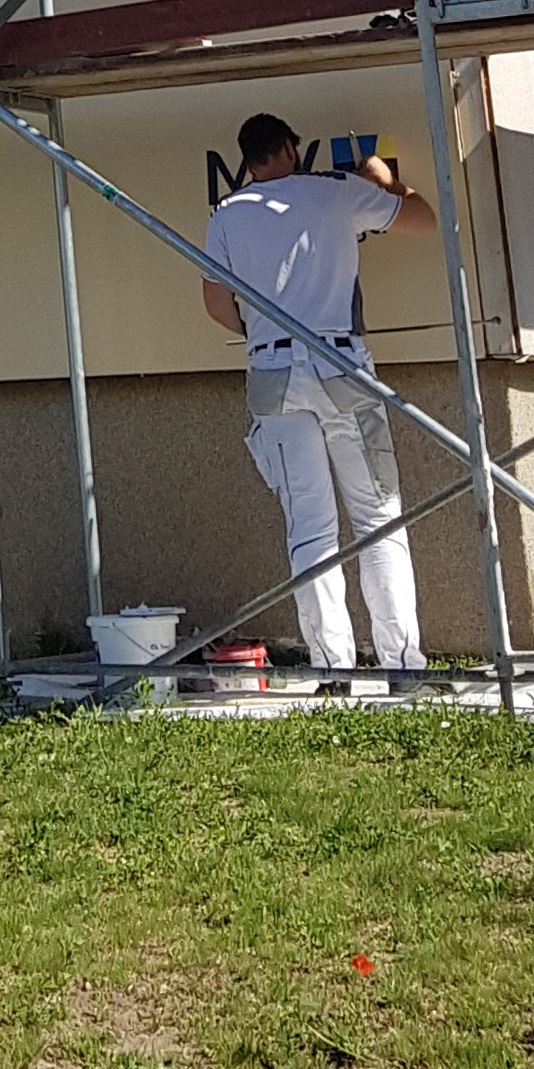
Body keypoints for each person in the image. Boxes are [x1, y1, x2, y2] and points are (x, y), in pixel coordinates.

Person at [202, 113, 436, 680]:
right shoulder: (335, 191)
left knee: (310, 528)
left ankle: (335, 671)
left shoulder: (227, 214)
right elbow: (425, 222)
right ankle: (402, 666)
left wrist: (263, 330)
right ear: (289, 148)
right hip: (340, 365)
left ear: (248, 161)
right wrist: (385, 181)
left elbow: (215, 305)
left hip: (272, 374)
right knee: (377, 517)